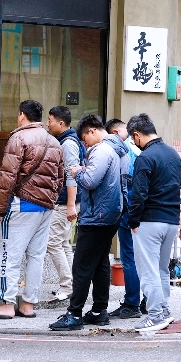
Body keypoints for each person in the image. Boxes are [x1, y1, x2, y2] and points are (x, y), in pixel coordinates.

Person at [0, 100, 64, 319]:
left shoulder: (18, 138)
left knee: (10, 254)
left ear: (22, 115)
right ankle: (28, 305)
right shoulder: (54, 142)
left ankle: (7, 304)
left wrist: (0, 209)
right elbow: (60, 179)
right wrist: (49, 199)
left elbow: (7, 178)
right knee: (36, 256)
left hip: (22, 204)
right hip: (45, 207)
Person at [50, 115, 125, 331]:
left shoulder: (102, 150)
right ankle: (99, 310)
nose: (84, 144)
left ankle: (74, 314)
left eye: (85, 138)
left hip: (96, 216)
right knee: (101, 264)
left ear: (92, 131)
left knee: (81, 266)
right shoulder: (117, 149)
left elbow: (91, 181)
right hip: (109, 215)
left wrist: (78, 171)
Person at [126, 113, 181, 333]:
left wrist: (133, 219)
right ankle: (164, 310)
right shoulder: (173, 155)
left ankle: (155, 314)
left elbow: (138, 194)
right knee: (161, 269)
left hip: (149, 220)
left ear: (137, 134)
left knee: (148, 270)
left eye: (134, 140)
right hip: (171, 220)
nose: (135, 144)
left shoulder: (145, 158)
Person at [45, 105, 84, 303]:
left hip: (64, 202)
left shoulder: (68, 143)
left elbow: (71, 175)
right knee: (63, 243)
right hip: (65, 202)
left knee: (53, 242)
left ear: (61, 123)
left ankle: (67, 286)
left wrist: (70, 204)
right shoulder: (66, 140)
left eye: (50, 120)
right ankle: (70, 285)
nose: (47, 124)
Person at [105, 118, 142, 318]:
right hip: (145, 212)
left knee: (129, 258)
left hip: (129, 212)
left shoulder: (124, 151)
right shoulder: (140, 149)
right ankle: (145, 301)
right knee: (143, 259)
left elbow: (125, 186)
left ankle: (132, 303)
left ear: (115, 132)